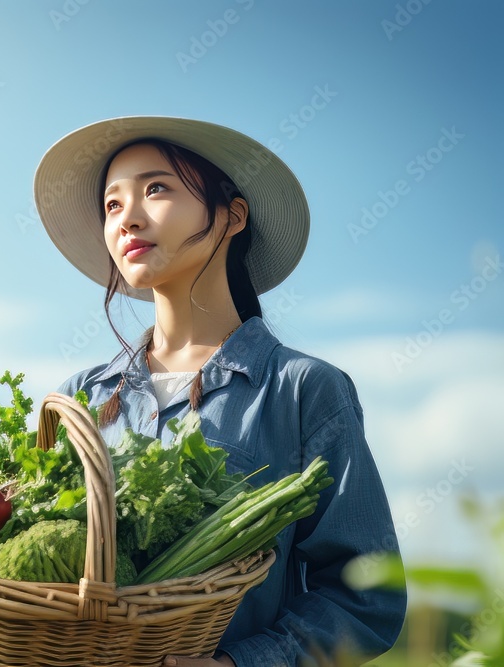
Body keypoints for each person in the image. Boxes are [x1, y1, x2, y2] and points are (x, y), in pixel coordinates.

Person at [33, 116, 407, 667]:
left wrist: (241, 664)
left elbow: (365, 595)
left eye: (155, 189)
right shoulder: (78, 399)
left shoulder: (303, 391)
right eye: (112, 205)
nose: (127, 219)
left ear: (232, 216)